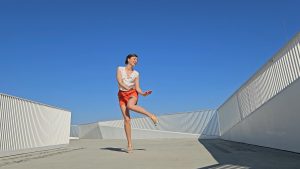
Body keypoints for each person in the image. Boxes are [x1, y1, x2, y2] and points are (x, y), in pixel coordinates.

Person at [116, 53, 159, 153]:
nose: (136, 61)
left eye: (137, 59)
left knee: (130, 105)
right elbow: (119, 81)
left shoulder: (136, 73)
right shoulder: (120, 69)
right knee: (127, 119)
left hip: (132, 93)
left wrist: (143, 94)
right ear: (128, 59)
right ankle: (129, 144)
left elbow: (137, 88)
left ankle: (151, 115)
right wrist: (127, 88)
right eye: (134, 59)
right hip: (122, 95)